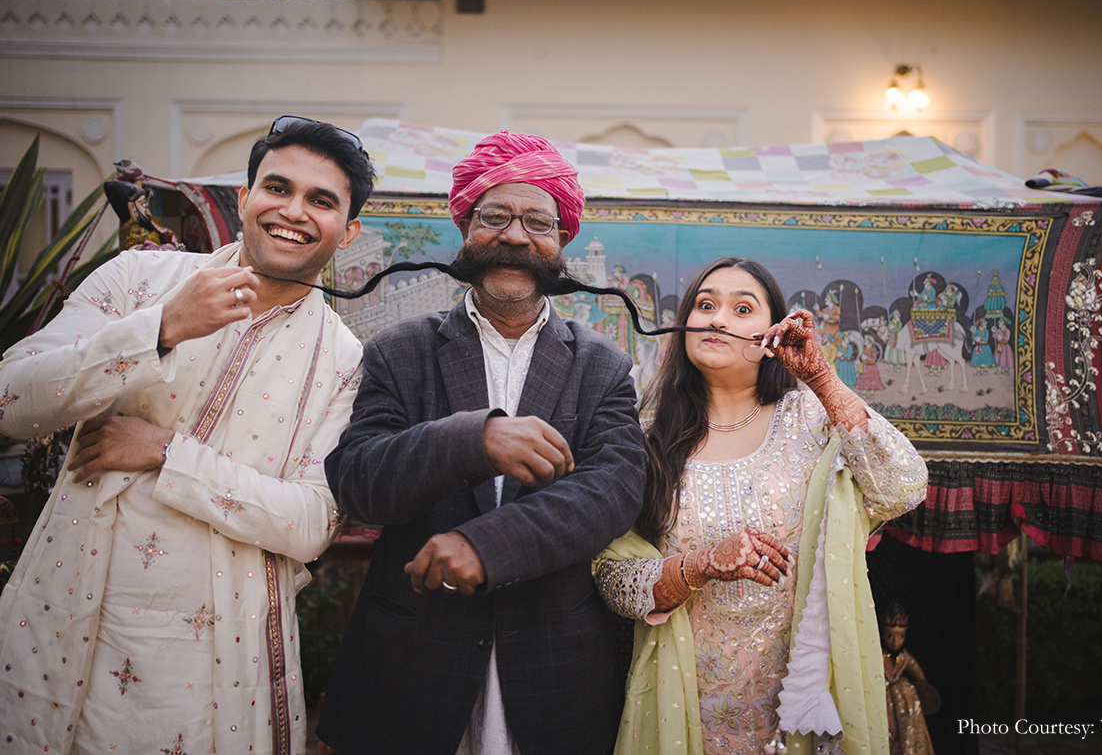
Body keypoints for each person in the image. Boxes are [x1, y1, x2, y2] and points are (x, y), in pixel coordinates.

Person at [0, 116, 374, 754]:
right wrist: (160, 329)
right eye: (276, 187)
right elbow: (11, 401)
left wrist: (166, 453)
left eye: (321, 200)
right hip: (70, 612)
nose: (293, 211)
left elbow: (312, 524)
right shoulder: (136, 282)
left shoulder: (344, 360)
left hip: (216, 662)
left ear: (349, 229)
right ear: (244, 198)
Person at [317, 131, 646, 755]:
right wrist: (476, 440)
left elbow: (613, 491)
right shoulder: (399, 351)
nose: (515, 237)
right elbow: (359, 482)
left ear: (562, 241)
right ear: (465, 226)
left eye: (537, 222)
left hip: (558, 674)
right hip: (413, 666)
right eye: (494, 216)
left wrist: (483, 544)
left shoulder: (602, 366)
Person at [594, 257, 927, 755]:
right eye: (705, 305)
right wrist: (699, 566)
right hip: (684, 708)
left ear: (771, 335)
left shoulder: (811, 419)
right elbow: (614, 582)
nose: (718, 319)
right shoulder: (646, 438)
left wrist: (823, 380)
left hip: (802, 704)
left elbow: (902, 487)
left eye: (742, 308)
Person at [879, 604, 935, 755]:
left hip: (905, 699)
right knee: (885, 729)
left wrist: (924, 691)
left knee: (908, 729)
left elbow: (919, 675)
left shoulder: (905, 658)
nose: (896, 641)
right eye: (890, 636)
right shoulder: (879, 656)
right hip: (882, 697)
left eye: (900, 636)